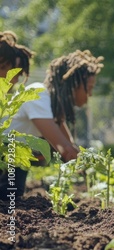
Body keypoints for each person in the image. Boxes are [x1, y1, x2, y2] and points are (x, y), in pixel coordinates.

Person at [0, 49, 104, 198]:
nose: (90, 94)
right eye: (89, 88)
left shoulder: (54, 110)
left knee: (11, 198)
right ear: (72, 84)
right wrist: (95, 169)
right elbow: (65, 149)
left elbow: (69, 146)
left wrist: (88, 170)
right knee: (8, 198)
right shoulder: (39, 94)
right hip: (4, 154)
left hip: (14, 159)